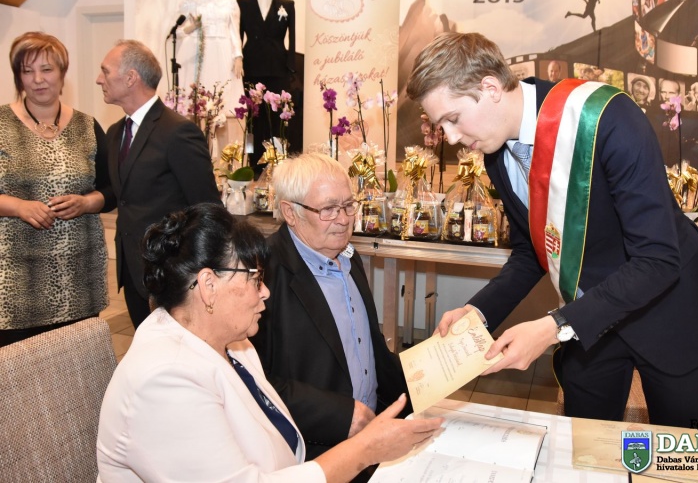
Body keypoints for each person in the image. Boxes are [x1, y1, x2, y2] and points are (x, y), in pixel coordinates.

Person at [406, 32, 698, 430]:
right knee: (585, 447)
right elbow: (530, 252)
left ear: (489, 88)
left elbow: (657, 260)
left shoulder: (605, 117)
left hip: (669, 311)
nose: (452, 138)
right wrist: (476, 312)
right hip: (588, 321)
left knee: (674, 451)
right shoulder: (496, 152)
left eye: (453, 119)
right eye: (441, 126)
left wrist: (554, 326)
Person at [97, 203, 442, 482]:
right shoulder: (164, 381)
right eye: (255, 278)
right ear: (208, 285)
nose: (265, 292)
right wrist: (365, 450)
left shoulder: (230, 342)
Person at [248, 153, 410, 480]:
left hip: (371, 439)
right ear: (290, 212)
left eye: (349, 205)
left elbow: (369, 349)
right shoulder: (263, 274)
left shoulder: (348, 257)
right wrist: (341, 415)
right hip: (313, 454)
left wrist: (428, 375)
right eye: (328, 209)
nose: (344, 219)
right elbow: (252, 380)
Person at [96, 39, 220, 329]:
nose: (99, 79)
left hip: (170, 274)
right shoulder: (115, 132)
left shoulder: (177, 132)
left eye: (106, 71)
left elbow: (208, 209)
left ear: (130, 78)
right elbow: (122, 195)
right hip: (132, 271)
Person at [0, 32, 110, 347]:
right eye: (28, 71)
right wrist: (18, 207)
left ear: (62, 73)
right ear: (18, 77)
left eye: (47, 69)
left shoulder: (88, 126)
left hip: (79, 277)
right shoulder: (1, 123)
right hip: (16, 281)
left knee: (78, 364)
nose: (38, 79)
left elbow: (112, 189)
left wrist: (87, 203)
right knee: (18, 369)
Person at [238, 0, 298, 163]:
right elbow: (238, 36)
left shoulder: (287, 5)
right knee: (252, 117)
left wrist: (291, 66)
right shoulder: (242, 4)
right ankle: (251, 159)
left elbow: (292, 37)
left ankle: (279, 160)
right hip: (251, 66)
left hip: (278, 67)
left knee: (279, 115)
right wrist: (238, 60)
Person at [176, 0, 244, 111]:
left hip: (222, 50)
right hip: (198, 51)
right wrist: (192, 27)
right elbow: (177, 32)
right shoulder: (191, 3)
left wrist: (238, 56)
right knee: (198, 94)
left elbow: (235, 33)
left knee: (222, 89)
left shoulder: (229, 5)